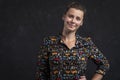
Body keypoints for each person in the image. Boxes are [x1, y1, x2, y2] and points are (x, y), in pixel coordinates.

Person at [35, 1, 110, 80]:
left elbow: (104, 64)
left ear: (81, 23)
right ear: (64, 16)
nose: (73, 21)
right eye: (70, 16)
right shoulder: (49, 42)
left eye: (78, 19)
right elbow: (41, 73)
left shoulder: (86, 43)